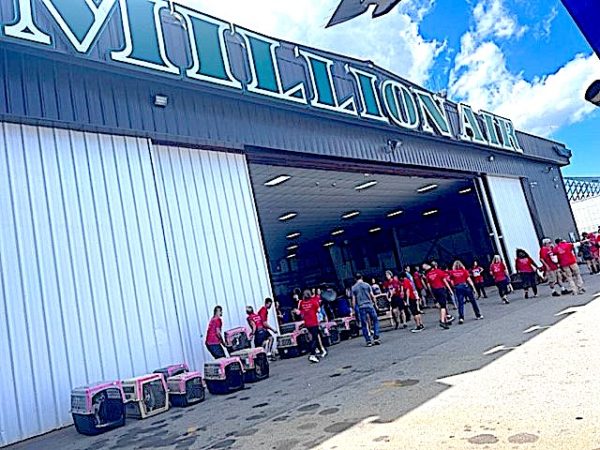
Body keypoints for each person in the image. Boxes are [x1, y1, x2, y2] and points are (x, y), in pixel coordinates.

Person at [352, 273, 381, 347]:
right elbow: (372, 296)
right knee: (375, 320)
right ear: (362, 277)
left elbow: (353, 300)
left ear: (355, 279)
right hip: (369, 305)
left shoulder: (354, 288)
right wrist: (375, 304)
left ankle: (368, 341)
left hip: (361, 307)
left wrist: (353, 309)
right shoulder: (367, 285)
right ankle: (376, 337)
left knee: (364, 324)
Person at [423, 263, 454, 329]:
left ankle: (446, 320)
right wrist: (450, 290)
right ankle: (442, 321)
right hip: (441, 289)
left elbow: (428, 286)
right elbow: (444, 281)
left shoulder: (428, 275)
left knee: (441, 305)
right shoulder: (439, 271)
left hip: (434, 290)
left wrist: (432, 294)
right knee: (443, 305)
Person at [297, 289, 322, 363]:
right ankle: (312, 354)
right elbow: (318, 310)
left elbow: (301, 312)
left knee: (312, 338)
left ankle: (315, 351)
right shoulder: (313, 302)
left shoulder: (302, 303)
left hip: (307, 323)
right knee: (315, 338)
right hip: (314, 322)